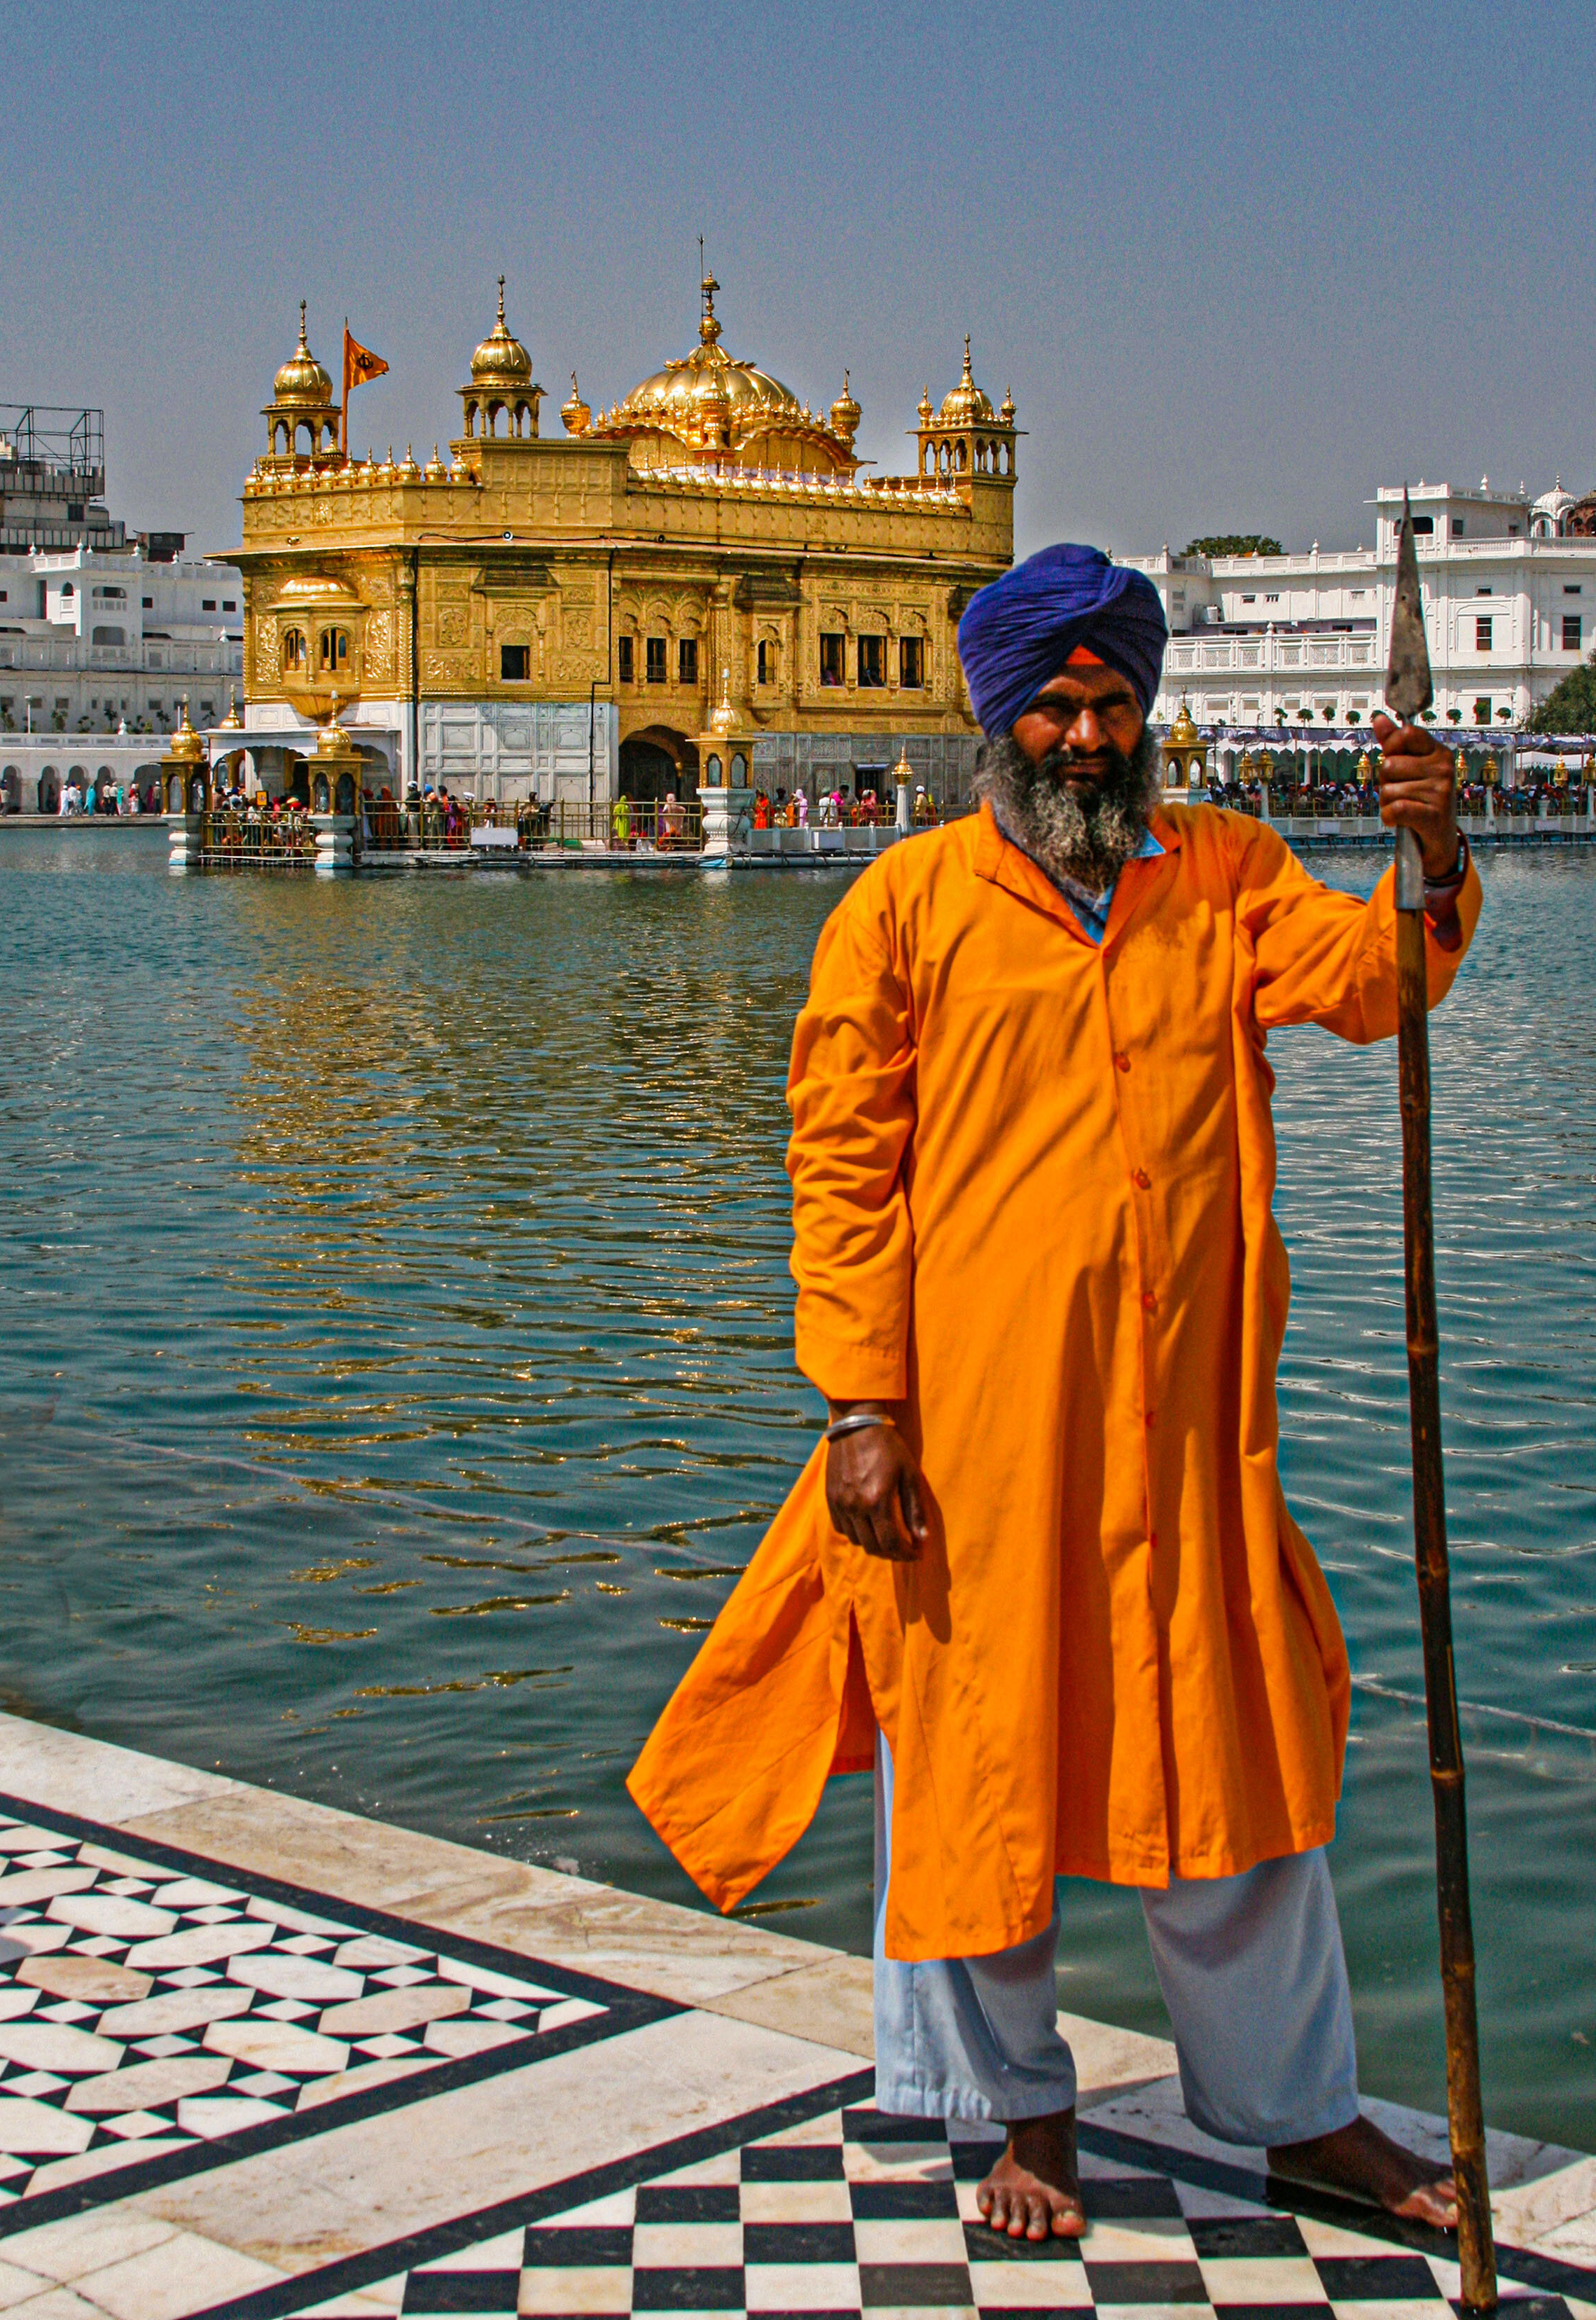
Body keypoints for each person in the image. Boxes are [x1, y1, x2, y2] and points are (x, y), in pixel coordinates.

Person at [632, 541, 1479, 2242]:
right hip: (978, 1431)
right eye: (1053, 707)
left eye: (1109, 705)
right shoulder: (908, 903)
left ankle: (1297, 2113)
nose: (1084, 738)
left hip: (1189, 1426)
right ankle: (1017, 2109)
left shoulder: (1221, 871)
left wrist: (1434, 853)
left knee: (1231, 1762)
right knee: (974, 1764)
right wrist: (859, 1406)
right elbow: (839, 1168)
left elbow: (1372, 983)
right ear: (997, 716)